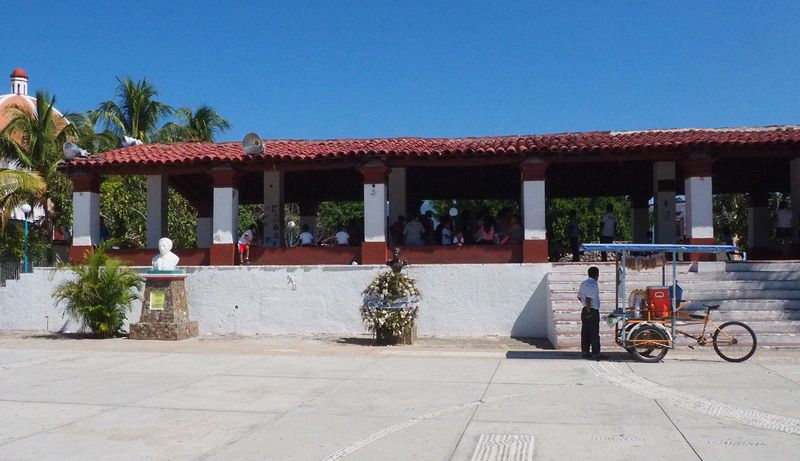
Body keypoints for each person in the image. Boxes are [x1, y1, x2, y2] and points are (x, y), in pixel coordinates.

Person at [577, 266, 603, 360]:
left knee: (585, 332)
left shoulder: (584, 283)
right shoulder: (593, 284)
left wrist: (585, 306)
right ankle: (595, 353)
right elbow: (589, 299)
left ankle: (585, 351)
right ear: (597, 275)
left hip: (585, 309)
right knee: (594, 332)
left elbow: (579, 297)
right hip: (591, 310)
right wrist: (589, 311)